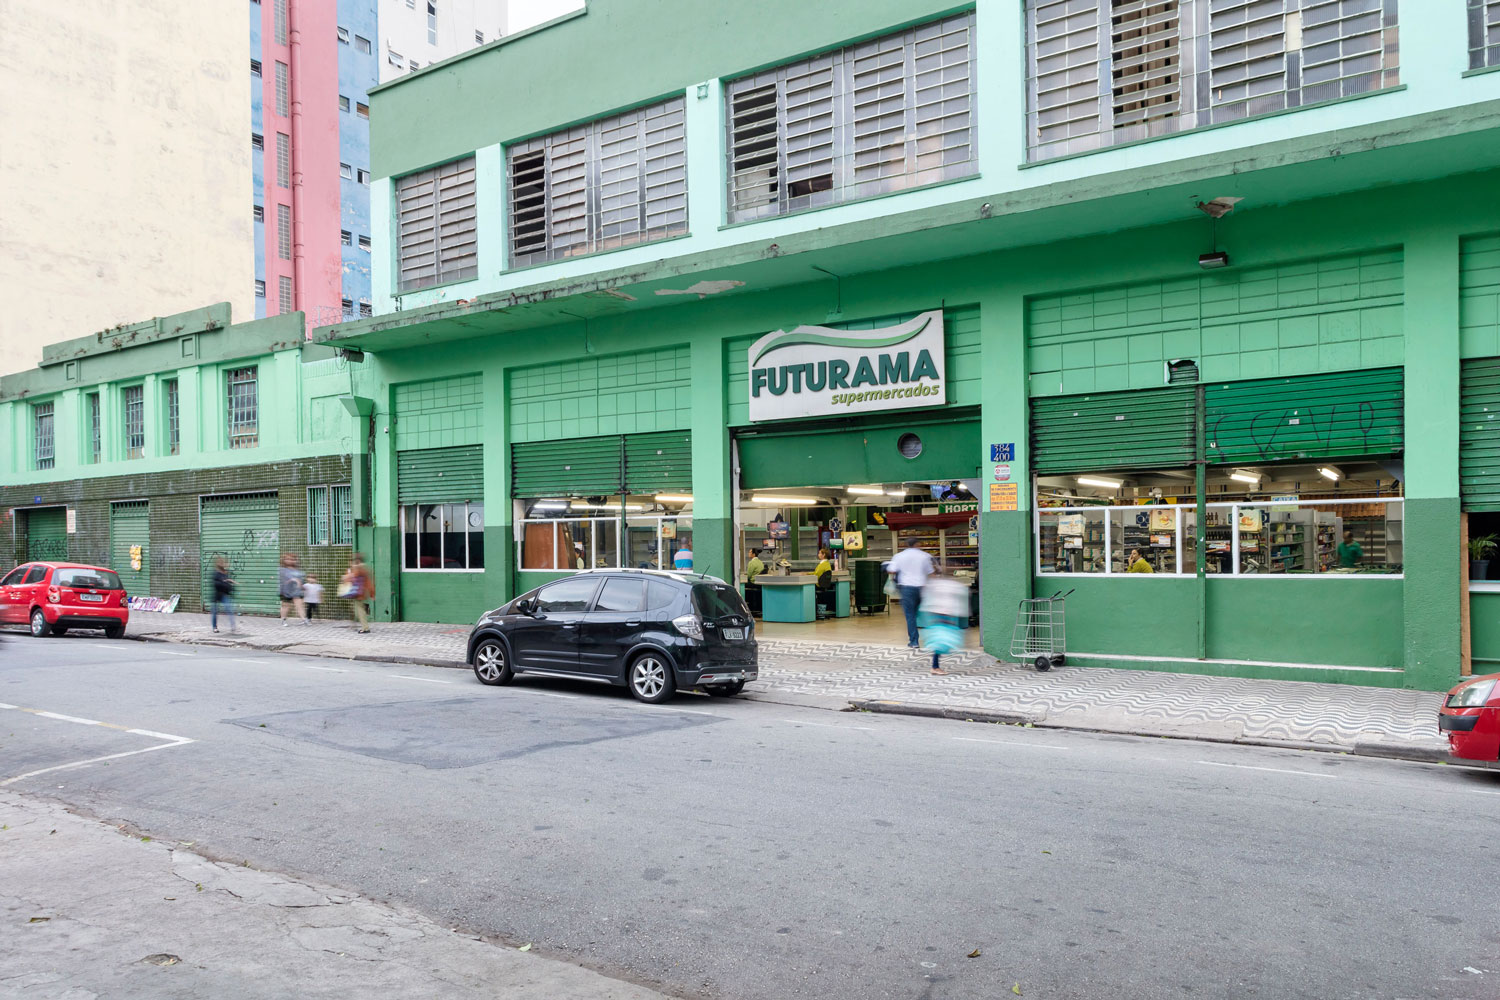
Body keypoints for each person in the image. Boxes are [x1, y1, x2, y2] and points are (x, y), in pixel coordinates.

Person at [887, 537, 935, 648]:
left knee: (910, 616)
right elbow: (931, 572)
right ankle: (932, 639)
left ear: (907, 544)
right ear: (917, 544)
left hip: (907, 588)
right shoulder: (924, 556)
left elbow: (891, 570)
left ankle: (914, 642)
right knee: (924, 613)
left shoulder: (899, 556)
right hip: (922, 588)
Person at [918, 570, 968, 675]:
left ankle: (935, 666)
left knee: (942, 640)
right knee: (942, 641)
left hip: (941, 615)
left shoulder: (936, 585)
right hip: (942, 616)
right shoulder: (945, 585)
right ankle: (935, 667)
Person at [342, 552, 375, 633]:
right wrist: (372, 593)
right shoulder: (364, 569)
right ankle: (362, 626)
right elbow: (370, 582)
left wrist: (346, 577)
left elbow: (352, 578)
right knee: (359, 610)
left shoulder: (359, 569)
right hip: (360, 592)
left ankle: (365, 628)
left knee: (360, 611)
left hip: (359, 593)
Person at [210, 556, 238, 634]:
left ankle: (233, 626)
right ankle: (214, 627)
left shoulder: (225, 572)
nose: (221, 563)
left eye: (222, 562)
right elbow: (216, 584)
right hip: (216, 595)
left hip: (224, 594)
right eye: (220, 562)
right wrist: (224, 581)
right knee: (215, 612)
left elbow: (227, 584)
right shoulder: (215, 573)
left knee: (229, 609)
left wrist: (229, 583)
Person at [279, 553, 308, 625]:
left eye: (293, 559)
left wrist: (303, 586)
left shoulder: (298, 570)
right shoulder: (282, 570)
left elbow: (302, 579)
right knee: (286, 606)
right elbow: (286, 578)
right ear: (284, 560)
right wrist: (294, 580)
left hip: (296, 591)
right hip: (286, 591)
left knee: (300, 605)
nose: (290, 561)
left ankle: (304, 619)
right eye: (288, 559)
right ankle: (283, 620)